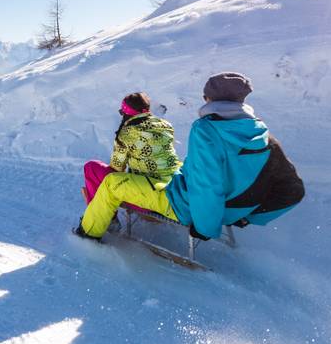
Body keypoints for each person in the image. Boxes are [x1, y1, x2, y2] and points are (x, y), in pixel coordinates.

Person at [74, 72, 306, 242]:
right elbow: (293, 189)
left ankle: (87, 234)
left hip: (184, 204)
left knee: (112, 183)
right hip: (224, 207)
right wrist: (244, 215)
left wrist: (205, 227)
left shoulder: (207, 129)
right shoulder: (262, 133)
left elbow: (208, 183)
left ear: (210, 99)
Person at [74, 92, 182, 239]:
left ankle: (105, 219)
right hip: (175, 188)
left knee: (92, 168)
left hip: (149, 193)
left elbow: (116, 168)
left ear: (126, 112)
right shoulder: (165, 125)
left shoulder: (127, 133)